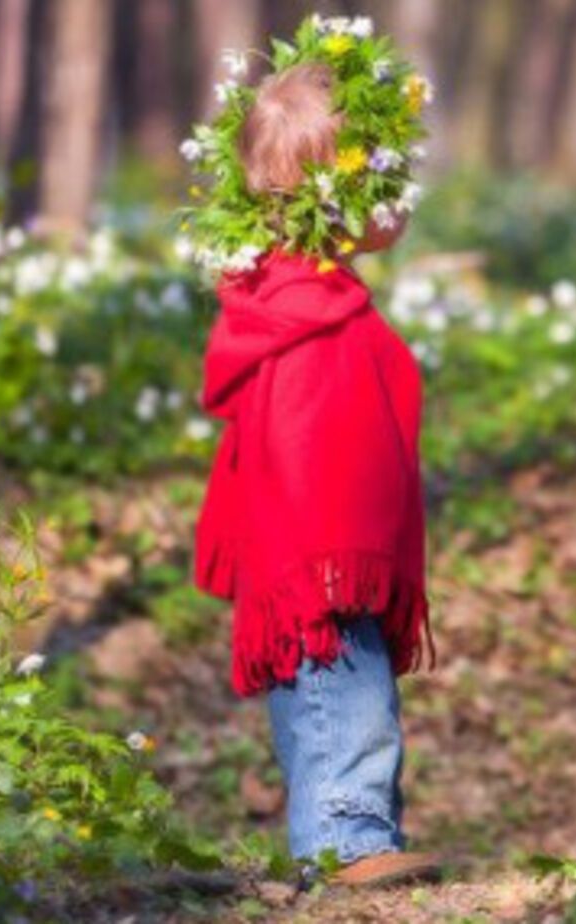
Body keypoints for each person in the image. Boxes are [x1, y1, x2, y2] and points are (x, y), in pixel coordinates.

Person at [192, 61, 437, 889]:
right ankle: (345, 840)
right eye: (382, 173)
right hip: (318, 552)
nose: (401, 195)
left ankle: (352, 835)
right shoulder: (304, 314)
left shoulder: (308, 297)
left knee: (340, 688)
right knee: (340, 687)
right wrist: (332, 555)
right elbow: (306, 440)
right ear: (329, 196)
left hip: (325, 547)